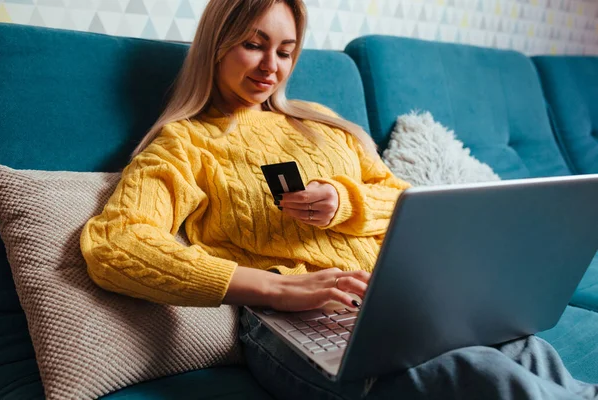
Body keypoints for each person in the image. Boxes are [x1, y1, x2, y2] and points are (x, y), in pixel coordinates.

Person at [80, 0, 598, 399]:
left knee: (525, 347)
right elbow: (117, 245)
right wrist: (277, 290)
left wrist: (344, 203)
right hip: (292, 326)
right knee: (481, 377)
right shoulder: (186, 143)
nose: (271, 68)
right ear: (217, 43)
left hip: (401, 303)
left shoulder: (323, 124)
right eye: (253, 45)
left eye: (285, 52)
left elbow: (401, 200)